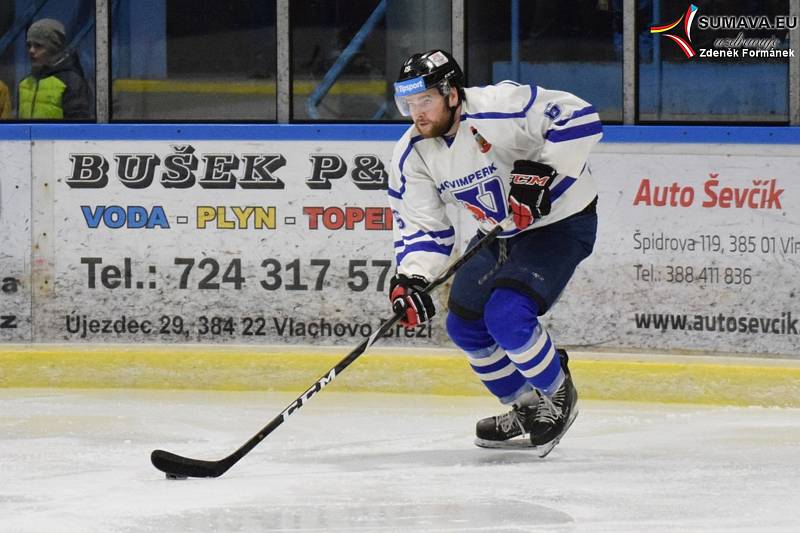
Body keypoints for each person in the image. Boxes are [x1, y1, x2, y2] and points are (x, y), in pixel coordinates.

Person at [387, 50, 601, 456]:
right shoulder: (412, 154)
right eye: (410, 104)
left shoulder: (499, 107)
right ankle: (526, 407)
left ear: (452, 95)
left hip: (561, 223)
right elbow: (423, 225)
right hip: (498, 234)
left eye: (426, 100)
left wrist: (544, 172)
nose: (418, 114)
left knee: (506, 314)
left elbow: (579, 117)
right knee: (465, 326)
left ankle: (557, 393)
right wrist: (413, 277)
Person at [18, 18, 91, 119]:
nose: (31, 50)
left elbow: (78, 127)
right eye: (29, 45)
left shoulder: (71, 82)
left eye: (38, 46)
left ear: (54, 49)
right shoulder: (24, 84)